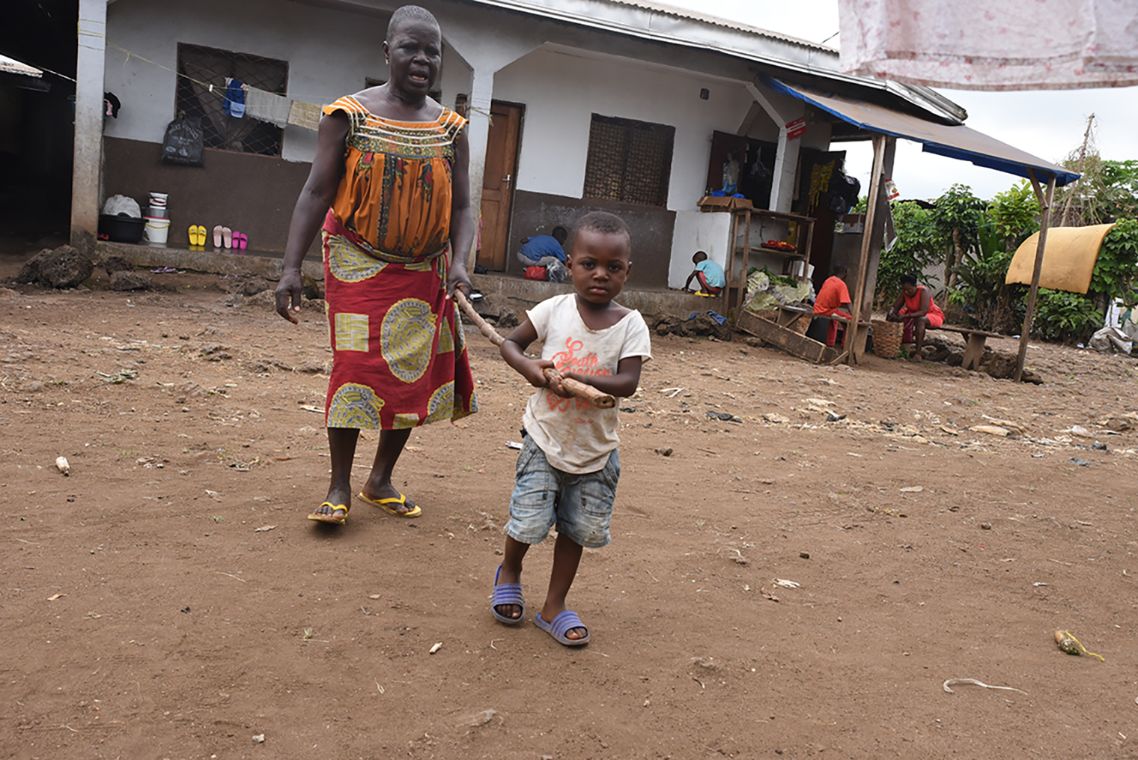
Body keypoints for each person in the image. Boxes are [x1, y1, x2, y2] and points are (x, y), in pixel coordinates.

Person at [274, 5, 476, 526]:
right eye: (411, 47)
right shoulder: (348, 116)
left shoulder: (451, 128)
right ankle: (339, 484)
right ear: (387, 52)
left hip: (424, 269)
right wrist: (290, 268)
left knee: (409, 375)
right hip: (356, 262)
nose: (422, 59)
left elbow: (463, 207)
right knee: (355, 372)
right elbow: (316, 191)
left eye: (432, 51)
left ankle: (379, 478)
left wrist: (460, 264)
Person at [489, 211, 652, 647]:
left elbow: (628, 383)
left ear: (627, 271)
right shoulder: (553, 309)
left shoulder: (631, 324)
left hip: (595, 451)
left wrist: (580, 382)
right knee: (527, 521)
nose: (600, 275)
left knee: (576, 530)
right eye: (588, 264)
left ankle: (554, 605)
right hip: (545, 438)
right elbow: (511, 343)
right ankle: (511, 570)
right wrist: (528, 369)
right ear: (569, 263)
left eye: (612, 267)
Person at [887, 273, 945, 359]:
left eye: (908, 289)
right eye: (904, 289)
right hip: (912, 314)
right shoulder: (905, 292)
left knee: (920, 320)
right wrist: (891, 312)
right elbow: (895, 307)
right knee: (891, 316)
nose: (906, 292)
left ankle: (918, 353)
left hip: (931, 315)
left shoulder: (923, 291)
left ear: (914, 286)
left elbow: (923, 312)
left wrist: (906, 316)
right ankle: (890, 345)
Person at [813, 264, 852, 347]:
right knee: (850, 321)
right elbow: (848, 303)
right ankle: (845, 346)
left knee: (834, 319)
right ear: (845, 273)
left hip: (818, 308)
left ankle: (830, 343)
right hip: (826, 310)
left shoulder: (828, 280)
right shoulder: (841, 284)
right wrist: (855, 316)